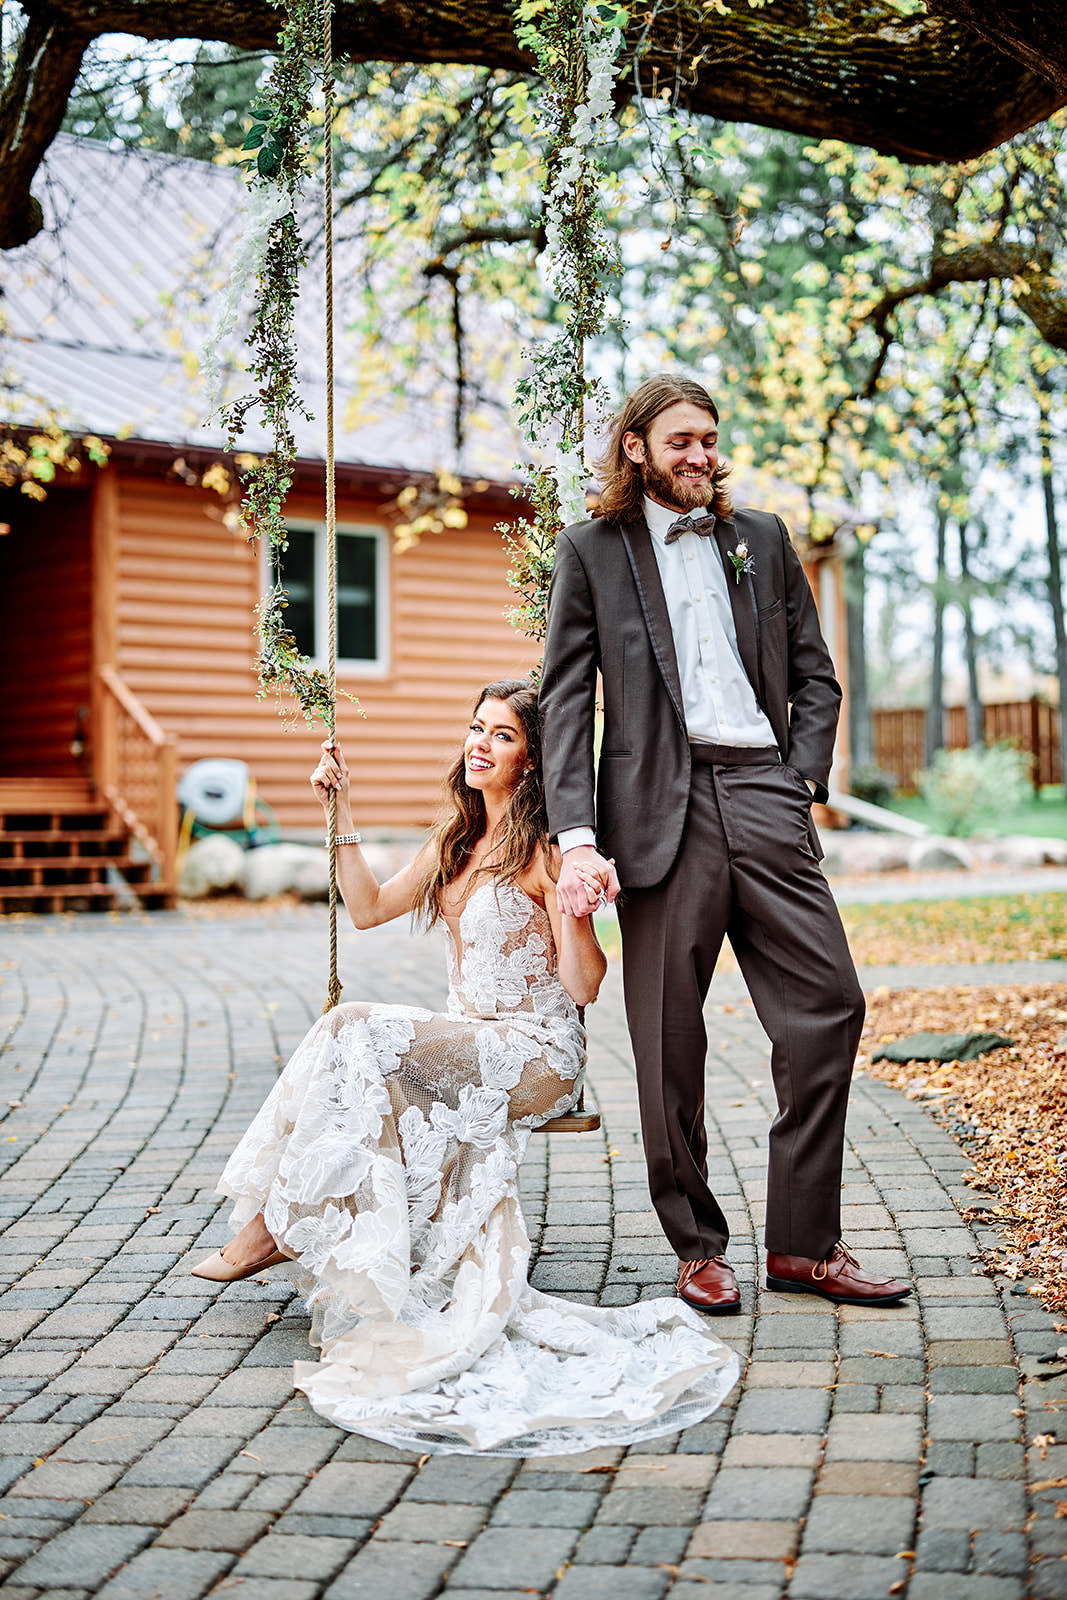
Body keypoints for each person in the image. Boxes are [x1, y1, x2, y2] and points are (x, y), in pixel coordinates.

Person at [190, 679, 739, 1454]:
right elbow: (370, 907)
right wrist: (337, 808)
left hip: (535, 1053)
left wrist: (576, 913)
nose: (479, 743)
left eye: (502, 735)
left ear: (532, 757)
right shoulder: (457, 833)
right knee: (351, 1045)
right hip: (469, 1039)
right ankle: (279, 1221)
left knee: (354, 1028)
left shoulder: (548, 851)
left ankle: (273, 1223)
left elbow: (583, 987)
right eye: (475, 727)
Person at [539, 375, 912, 1315]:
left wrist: (801, 781)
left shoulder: (764, 541)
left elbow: (816, 679)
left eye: (708, 439)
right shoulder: (590, 551)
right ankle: (696, 1245)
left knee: (828, 1006)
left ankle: (801, 1244)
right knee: (669, 1039)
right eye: (680, 442)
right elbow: (566, 699)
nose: (700, 455)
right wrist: (577, 836)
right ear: (636, 449)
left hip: (763, 792)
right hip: (655, 813)